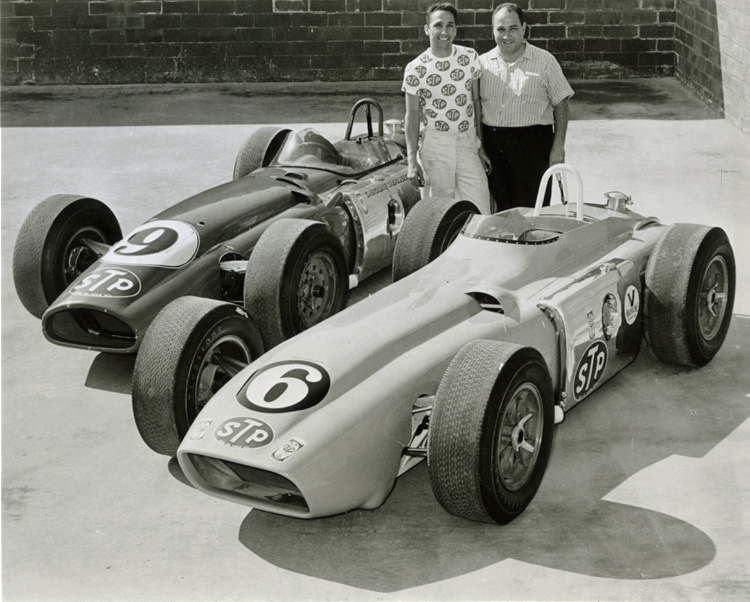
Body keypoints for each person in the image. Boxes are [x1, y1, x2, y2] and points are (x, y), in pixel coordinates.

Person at [480, 3, 574, 211]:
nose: (507, 36)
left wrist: (558, 146)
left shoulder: (545, 61)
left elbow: (561, 104)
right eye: (500, 29)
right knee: (499, 213)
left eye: (513, 29)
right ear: (492, 30)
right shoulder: (481, 64)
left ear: (524, 28)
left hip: (533, 146)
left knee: (533, 213)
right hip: (494, 147)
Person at [402, 2, 492, 215]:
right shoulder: (416, 68)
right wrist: (411, 160)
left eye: (450, 25)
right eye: (438, 25)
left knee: (480, 205)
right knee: (439, 213)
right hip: (436, 145)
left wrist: (481, 146)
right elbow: (412, 115)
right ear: (427, 29)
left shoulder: (469, 57)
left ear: (456, 29)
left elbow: (476, 102)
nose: (444, 32)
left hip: (467, 141)